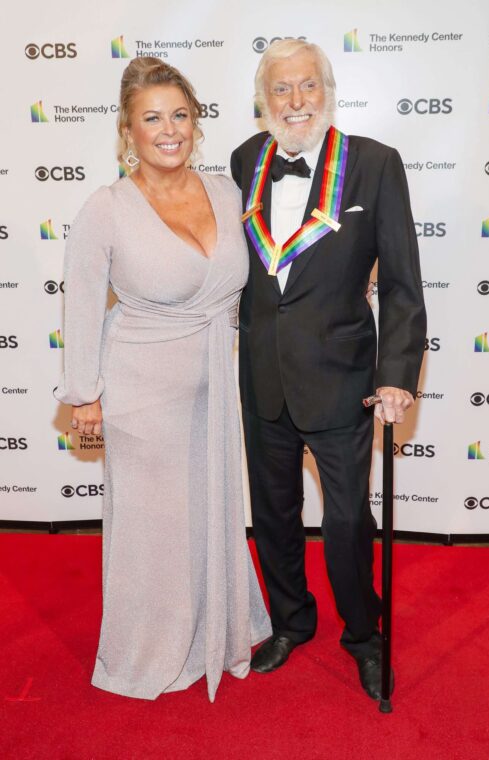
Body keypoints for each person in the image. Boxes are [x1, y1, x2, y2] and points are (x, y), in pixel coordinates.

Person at [54, 57, 271, 702]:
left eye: (180, 115)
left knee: (208, 510)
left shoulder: (227, 192)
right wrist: (84, 395)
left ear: (196, 123)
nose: (168, 129)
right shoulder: (107, 207)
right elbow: (83, 302)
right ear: (128, 130)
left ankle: (215, 627)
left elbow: (271, 269)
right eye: (152, 118)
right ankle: (146, 648)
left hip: (212, 382)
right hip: (140, 391)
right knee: (153, 528)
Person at [231, 39, 426, 700]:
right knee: (274, 511)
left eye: (306, 86)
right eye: (281, 89)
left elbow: (401, 284)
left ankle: (363, 636)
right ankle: (290, 622)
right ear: (264, 100)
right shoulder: (245, 160)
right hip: (260, 375)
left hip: (343, 379)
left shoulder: (373, 164)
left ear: (326, 91)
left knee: (346, 521)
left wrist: (396, 372)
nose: (295, 101)